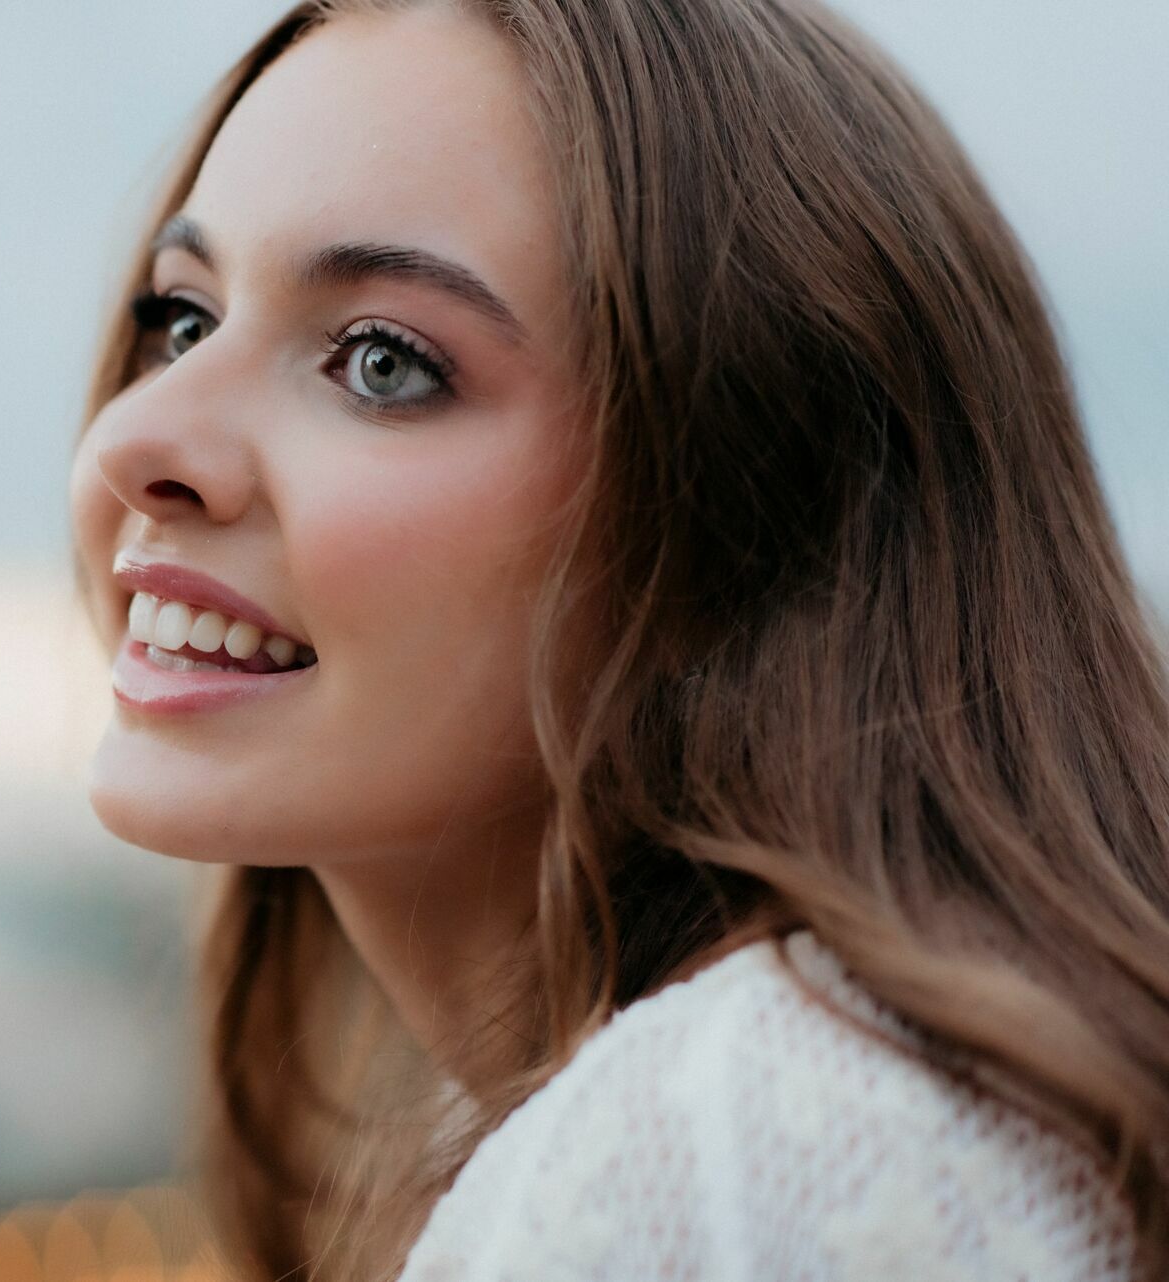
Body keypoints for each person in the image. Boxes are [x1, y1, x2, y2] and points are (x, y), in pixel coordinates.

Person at [66, 1, 1169, 1278]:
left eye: (381, 362)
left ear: (749, 514)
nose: (141, 441)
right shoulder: (813, 1100)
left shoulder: (725, 1149)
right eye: (184, 319)